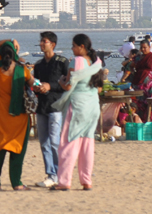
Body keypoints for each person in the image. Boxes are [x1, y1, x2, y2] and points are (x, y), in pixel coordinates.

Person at [51, 34, 103, 191]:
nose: (72, 49)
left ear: (82, 47)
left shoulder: (77, 61)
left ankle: (64, 181)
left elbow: (68, 85)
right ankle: (86, 181)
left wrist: (60, 81)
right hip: (93, 106)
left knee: (68, 143)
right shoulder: (96, 62)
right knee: (87, 143)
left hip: (77, 105)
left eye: (74, 46)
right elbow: (99, 87)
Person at [0, 39, 35, 191]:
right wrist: (44, 85)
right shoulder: (22, 69)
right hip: (18, 115)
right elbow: (33, 83)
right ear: (15, 53)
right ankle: (16, 182)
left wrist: (10, 41)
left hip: (1, 114)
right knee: (17, 148)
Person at [32, 31, 70, 188]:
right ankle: (51, 174)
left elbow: (68, 84)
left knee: (55, 141)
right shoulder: (39, 65)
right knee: (44, 142)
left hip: (56, 106)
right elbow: (35, 83)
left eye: (44, 41)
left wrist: (50, 86)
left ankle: (59, 174)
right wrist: (37, 87)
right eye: (41, 41)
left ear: (53, 44)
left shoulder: (62, 62)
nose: (41, 44)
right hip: (42, 106)